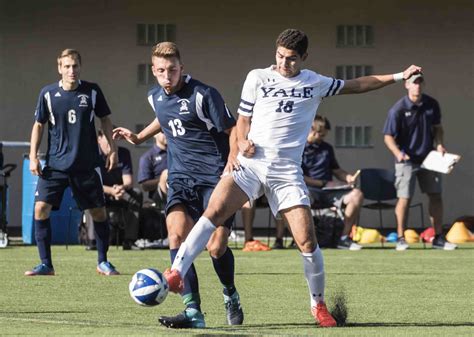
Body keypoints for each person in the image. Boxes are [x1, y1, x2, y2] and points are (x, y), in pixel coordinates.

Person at [163, 28, 422, 328]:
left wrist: (399, 76)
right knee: (212, 214)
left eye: (292, 59)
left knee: (307, 242)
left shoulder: (315, 82)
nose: (285, 64)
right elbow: (242, 121)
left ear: (304, 58)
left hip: (287, 174)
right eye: (280, 57)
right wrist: (240, 144)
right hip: (250, 165)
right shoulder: (257, 77)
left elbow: (357, 84)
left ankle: (318, 305)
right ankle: (177, 273)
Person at [113, 42, 244, 329]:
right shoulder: (155, 96)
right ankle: (193, 311)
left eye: (172, 70)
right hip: (181, 179)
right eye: (161, 71)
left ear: (181, 68)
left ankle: (230, 294)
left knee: (215, 248)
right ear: (154, 71)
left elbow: (233, 127)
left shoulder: (203, 94)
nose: (167, 76)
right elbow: (165, 118)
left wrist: (233, 156)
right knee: (176, 236)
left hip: (216, 179)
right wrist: (138, 137)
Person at [25, 49, 120, 276]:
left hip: (86, 165)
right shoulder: (47, 93)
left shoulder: (92, 91)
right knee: (40, 208)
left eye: (75, 65)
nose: (71, 70)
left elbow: (105, 120)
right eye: (67, 66)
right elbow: (39, 125)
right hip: (56, 164)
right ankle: (46, 264)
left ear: (80, 67)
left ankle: (103, 262)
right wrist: (33, 155)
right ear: (59, 68)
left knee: (98, 212)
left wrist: (113, 149)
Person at [383, 73, 457, 251]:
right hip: (406, 160)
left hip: (429, 159)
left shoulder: (431, 104)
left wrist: (439, 145)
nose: (417, 86)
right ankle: (401, 237)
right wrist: (398, 153)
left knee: (435, 195)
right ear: (406, 86)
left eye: (419, 82)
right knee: (404, 198)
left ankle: (438, 238)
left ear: (423, 84)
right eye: (413, 83)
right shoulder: (398, 109)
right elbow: (388, 137)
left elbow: (438, 129)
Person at [302, 115, 363, 251]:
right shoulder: (298, 148)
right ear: (312, 130)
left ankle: (344, 238)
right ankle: (306, 239)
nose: (322, 138)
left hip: (329, 191)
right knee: (300, 197)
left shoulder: (327, 148)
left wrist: (347, 177)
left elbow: (336, 170)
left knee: (356, 195)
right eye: (321, 135)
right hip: (309, 190)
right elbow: (298, 175)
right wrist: (320, 183)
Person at [86, 129, 142, 251]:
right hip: (101, 192)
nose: (112, 142)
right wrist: (111, 191)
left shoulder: (124, 153)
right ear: (99, 139)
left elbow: (128, 181)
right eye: (108, 138)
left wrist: (121, 188)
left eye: (114, 139)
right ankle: (92, 241)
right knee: (90, 193)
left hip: (120, 192)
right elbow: (91, 182)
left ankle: (129, 241)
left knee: (137, 194)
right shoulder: (91, 155)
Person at [137, 131, 168, 205]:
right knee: (166, 173)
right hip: (159, 197)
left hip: (180, 190)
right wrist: (163, 180)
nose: (167, 133)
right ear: (155, 134)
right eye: (163, 132)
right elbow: (144, 186)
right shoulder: (147, 157)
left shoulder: (177, 153)